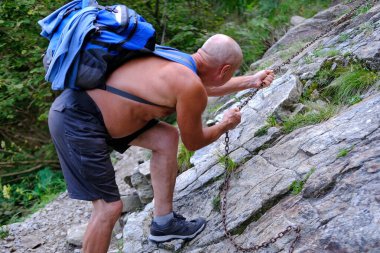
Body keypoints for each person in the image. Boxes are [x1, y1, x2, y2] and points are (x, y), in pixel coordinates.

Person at [48, 34, 274, 253]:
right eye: (231, 73)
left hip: (88, 112)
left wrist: (250, 81)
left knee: (166, 138)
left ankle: (164, 224)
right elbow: (194, 142)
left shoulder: (178, 62)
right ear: (224, 70)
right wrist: (225, 124)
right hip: (77, 120)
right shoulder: (188, 83)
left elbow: (199, 88)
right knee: (109, 208)